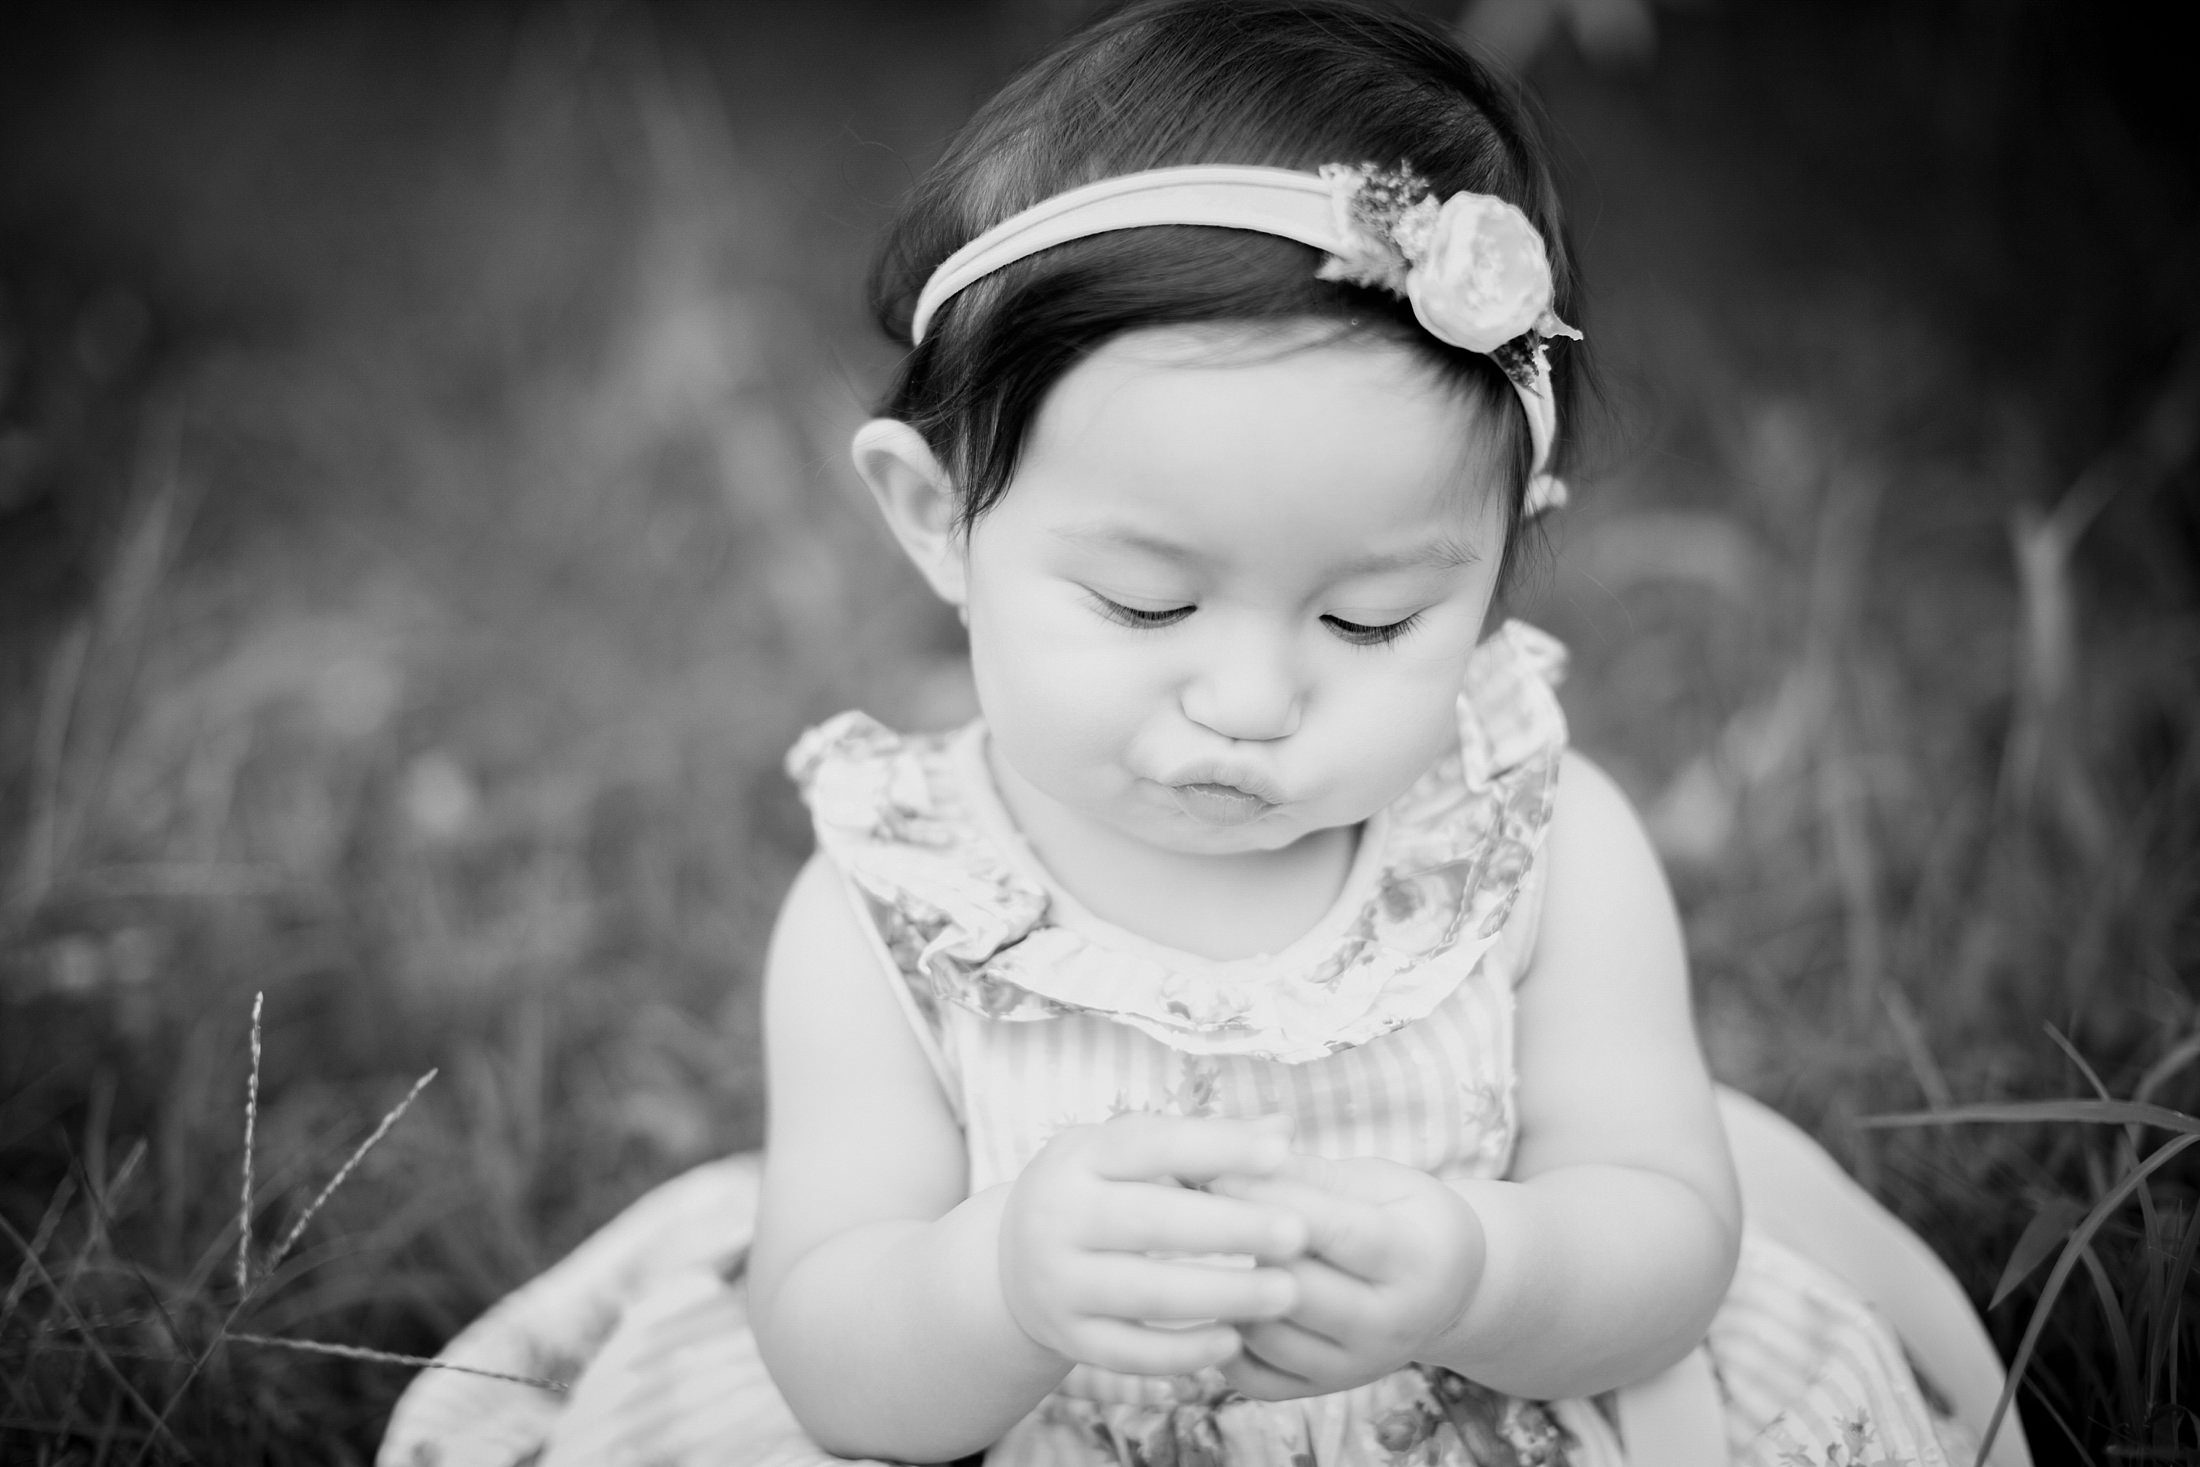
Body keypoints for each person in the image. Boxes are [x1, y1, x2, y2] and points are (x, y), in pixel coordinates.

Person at [380, 3, 1998, 1463]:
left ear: (1509, 562)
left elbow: (1664, 1238)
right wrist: (1001, 1284)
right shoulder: (894, 913)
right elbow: (841, 1368)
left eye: (1371, 621)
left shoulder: (1542, 847)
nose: (1249, 702)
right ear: (940, 519)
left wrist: (1486, 1273)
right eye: (1147, 603)